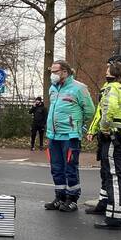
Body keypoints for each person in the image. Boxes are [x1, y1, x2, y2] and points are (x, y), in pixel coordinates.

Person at [86, 55, 121, 215]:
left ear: (116, 68)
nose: (105, 70)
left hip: (117, 134)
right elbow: (100, 109)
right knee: (108, 172)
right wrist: (92, 129)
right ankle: (107, 204)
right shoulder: (112, 86)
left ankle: (119, 211)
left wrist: (104, 128)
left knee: (120, 174)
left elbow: (109, 110)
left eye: (108, 67)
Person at [44, 60, 95, 212]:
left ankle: (72, 199)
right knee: (56, 168)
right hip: (54, 135)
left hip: (70, 136)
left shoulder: (79, 88)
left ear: (65, 72)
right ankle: (59, 197)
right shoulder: (52, 88)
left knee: (70, 168)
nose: (52, 75)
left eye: (55, 72)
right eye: (51, 72)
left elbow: (90, 111)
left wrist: (78, 125)